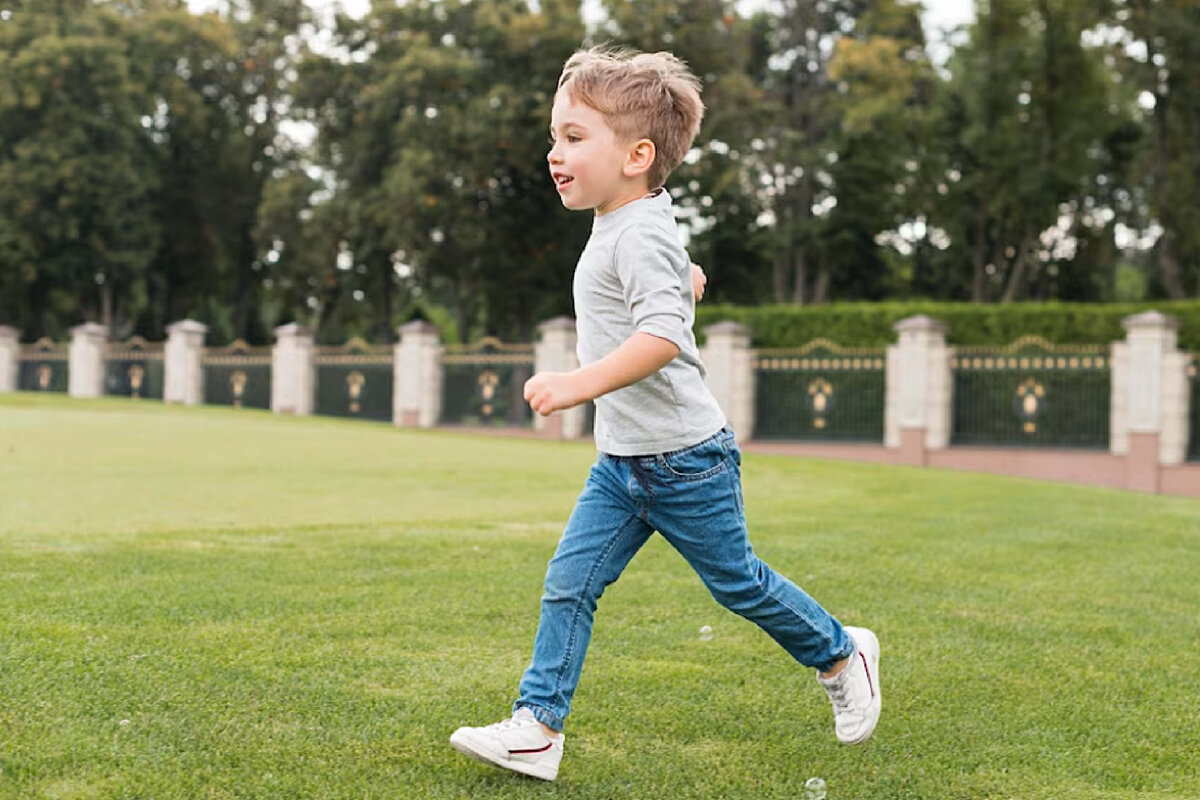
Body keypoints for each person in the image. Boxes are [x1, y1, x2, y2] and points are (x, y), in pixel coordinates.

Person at [449, 46, 880, 782]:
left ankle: (842, 653)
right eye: (554, 137)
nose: (554, 153)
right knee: (570, 582)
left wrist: (577, 384)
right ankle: (538, 728)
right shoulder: (629, 220)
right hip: (621, 465)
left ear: (637, 156)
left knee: (738, 584)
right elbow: (656, 275)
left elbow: (661, 338)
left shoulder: (638, 230)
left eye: (574, 137)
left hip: (685, 462)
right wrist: (684, 276)